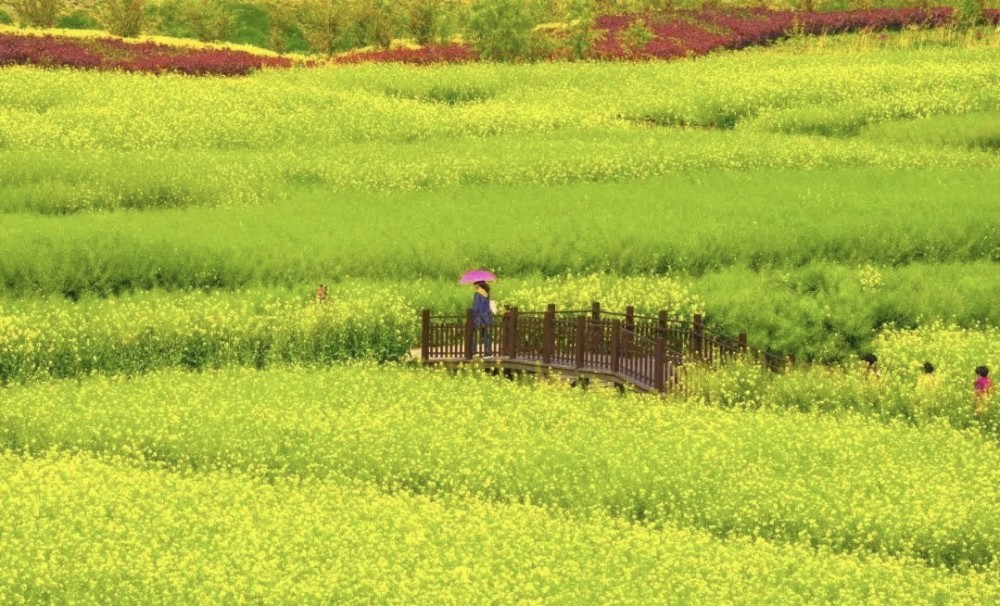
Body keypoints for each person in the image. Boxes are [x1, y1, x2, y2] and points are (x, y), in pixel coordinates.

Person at [472, 280, 493, 357]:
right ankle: (488, 352)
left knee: (473, 333)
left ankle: (474, 351)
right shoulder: (486, 293)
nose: (474, 286)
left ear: (478, 284)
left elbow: (476, 307)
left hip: (479, 317)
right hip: (487, 316)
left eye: (474, 284)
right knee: (486, 334)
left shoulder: (478, 293)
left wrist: (473, 315)